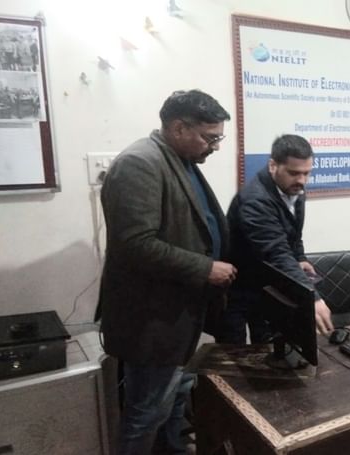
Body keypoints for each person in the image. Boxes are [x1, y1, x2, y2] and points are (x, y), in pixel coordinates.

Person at [97, 89, 237, 454]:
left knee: (174, 401)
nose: (215, 147)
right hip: (152, 321)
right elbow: (135, 245)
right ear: (178, 128)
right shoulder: (139, 163)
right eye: (210, 138)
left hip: (179, 316)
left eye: (218, 138)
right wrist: (205, 267)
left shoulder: (179, 159)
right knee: (146, 414)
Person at [212, 134, 334, 344]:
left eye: (306, 173)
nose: (302, 180)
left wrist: (300, 257)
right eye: (294, 173)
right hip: (237, 287)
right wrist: (311, 297)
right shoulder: (255, 200)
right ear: (272, 166)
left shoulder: (293, 189)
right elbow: (276, 253)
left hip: (267, 284)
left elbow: (292, 233)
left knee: (269, 345)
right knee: (233, 351)